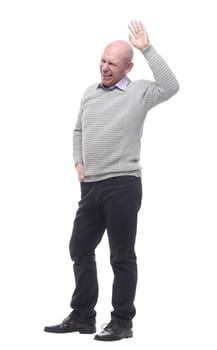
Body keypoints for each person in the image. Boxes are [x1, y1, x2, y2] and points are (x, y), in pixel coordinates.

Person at [44, 20, 179, 341]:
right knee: (79, 248)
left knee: (121, 255)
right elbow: (78, 129)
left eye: (112, 64)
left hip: (123, 185)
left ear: (127, 67)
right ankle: (83, 315)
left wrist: (148, 48)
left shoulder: (141, 92)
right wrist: (78, 162)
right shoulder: (90, 92)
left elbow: (171, 86)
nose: (105, 68)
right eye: (103, 61)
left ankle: (122, 322)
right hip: (90, 186)